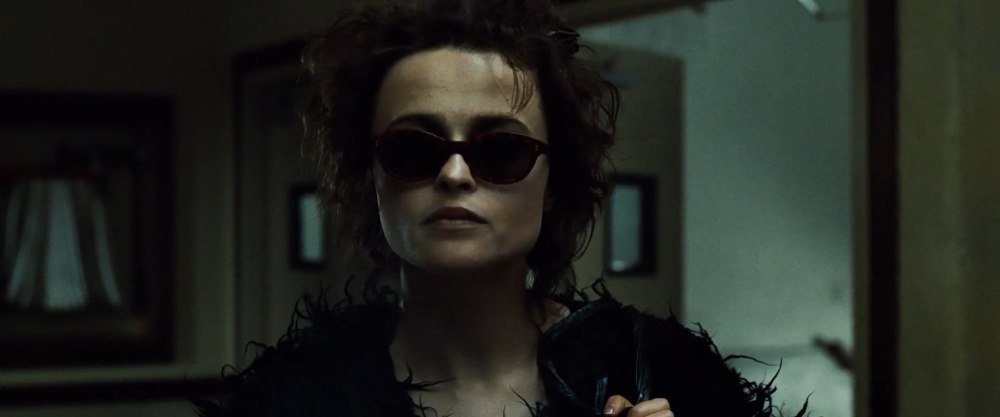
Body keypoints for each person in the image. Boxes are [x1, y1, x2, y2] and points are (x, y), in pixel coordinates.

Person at [197, 0, 805, 416]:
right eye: (413, 150)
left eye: (502, 151)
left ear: (554, 180)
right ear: (370, 176)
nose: (454, 174)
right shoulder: (292, 398)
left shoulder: (663, 372)